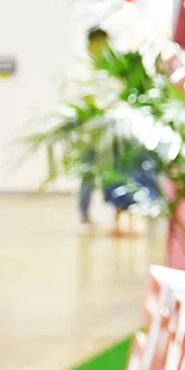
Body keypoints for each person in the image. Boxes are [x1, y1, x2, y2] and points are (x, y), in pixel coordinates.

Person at [77, 27, 110, 226]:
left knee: (111, 172)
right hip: (89, 130)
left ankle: (114, 212)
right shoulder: (83, 70)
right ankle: (84, 213)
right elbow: (85, 98)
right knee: (88, 172)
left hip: (109, 129)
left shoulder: (110, 70)